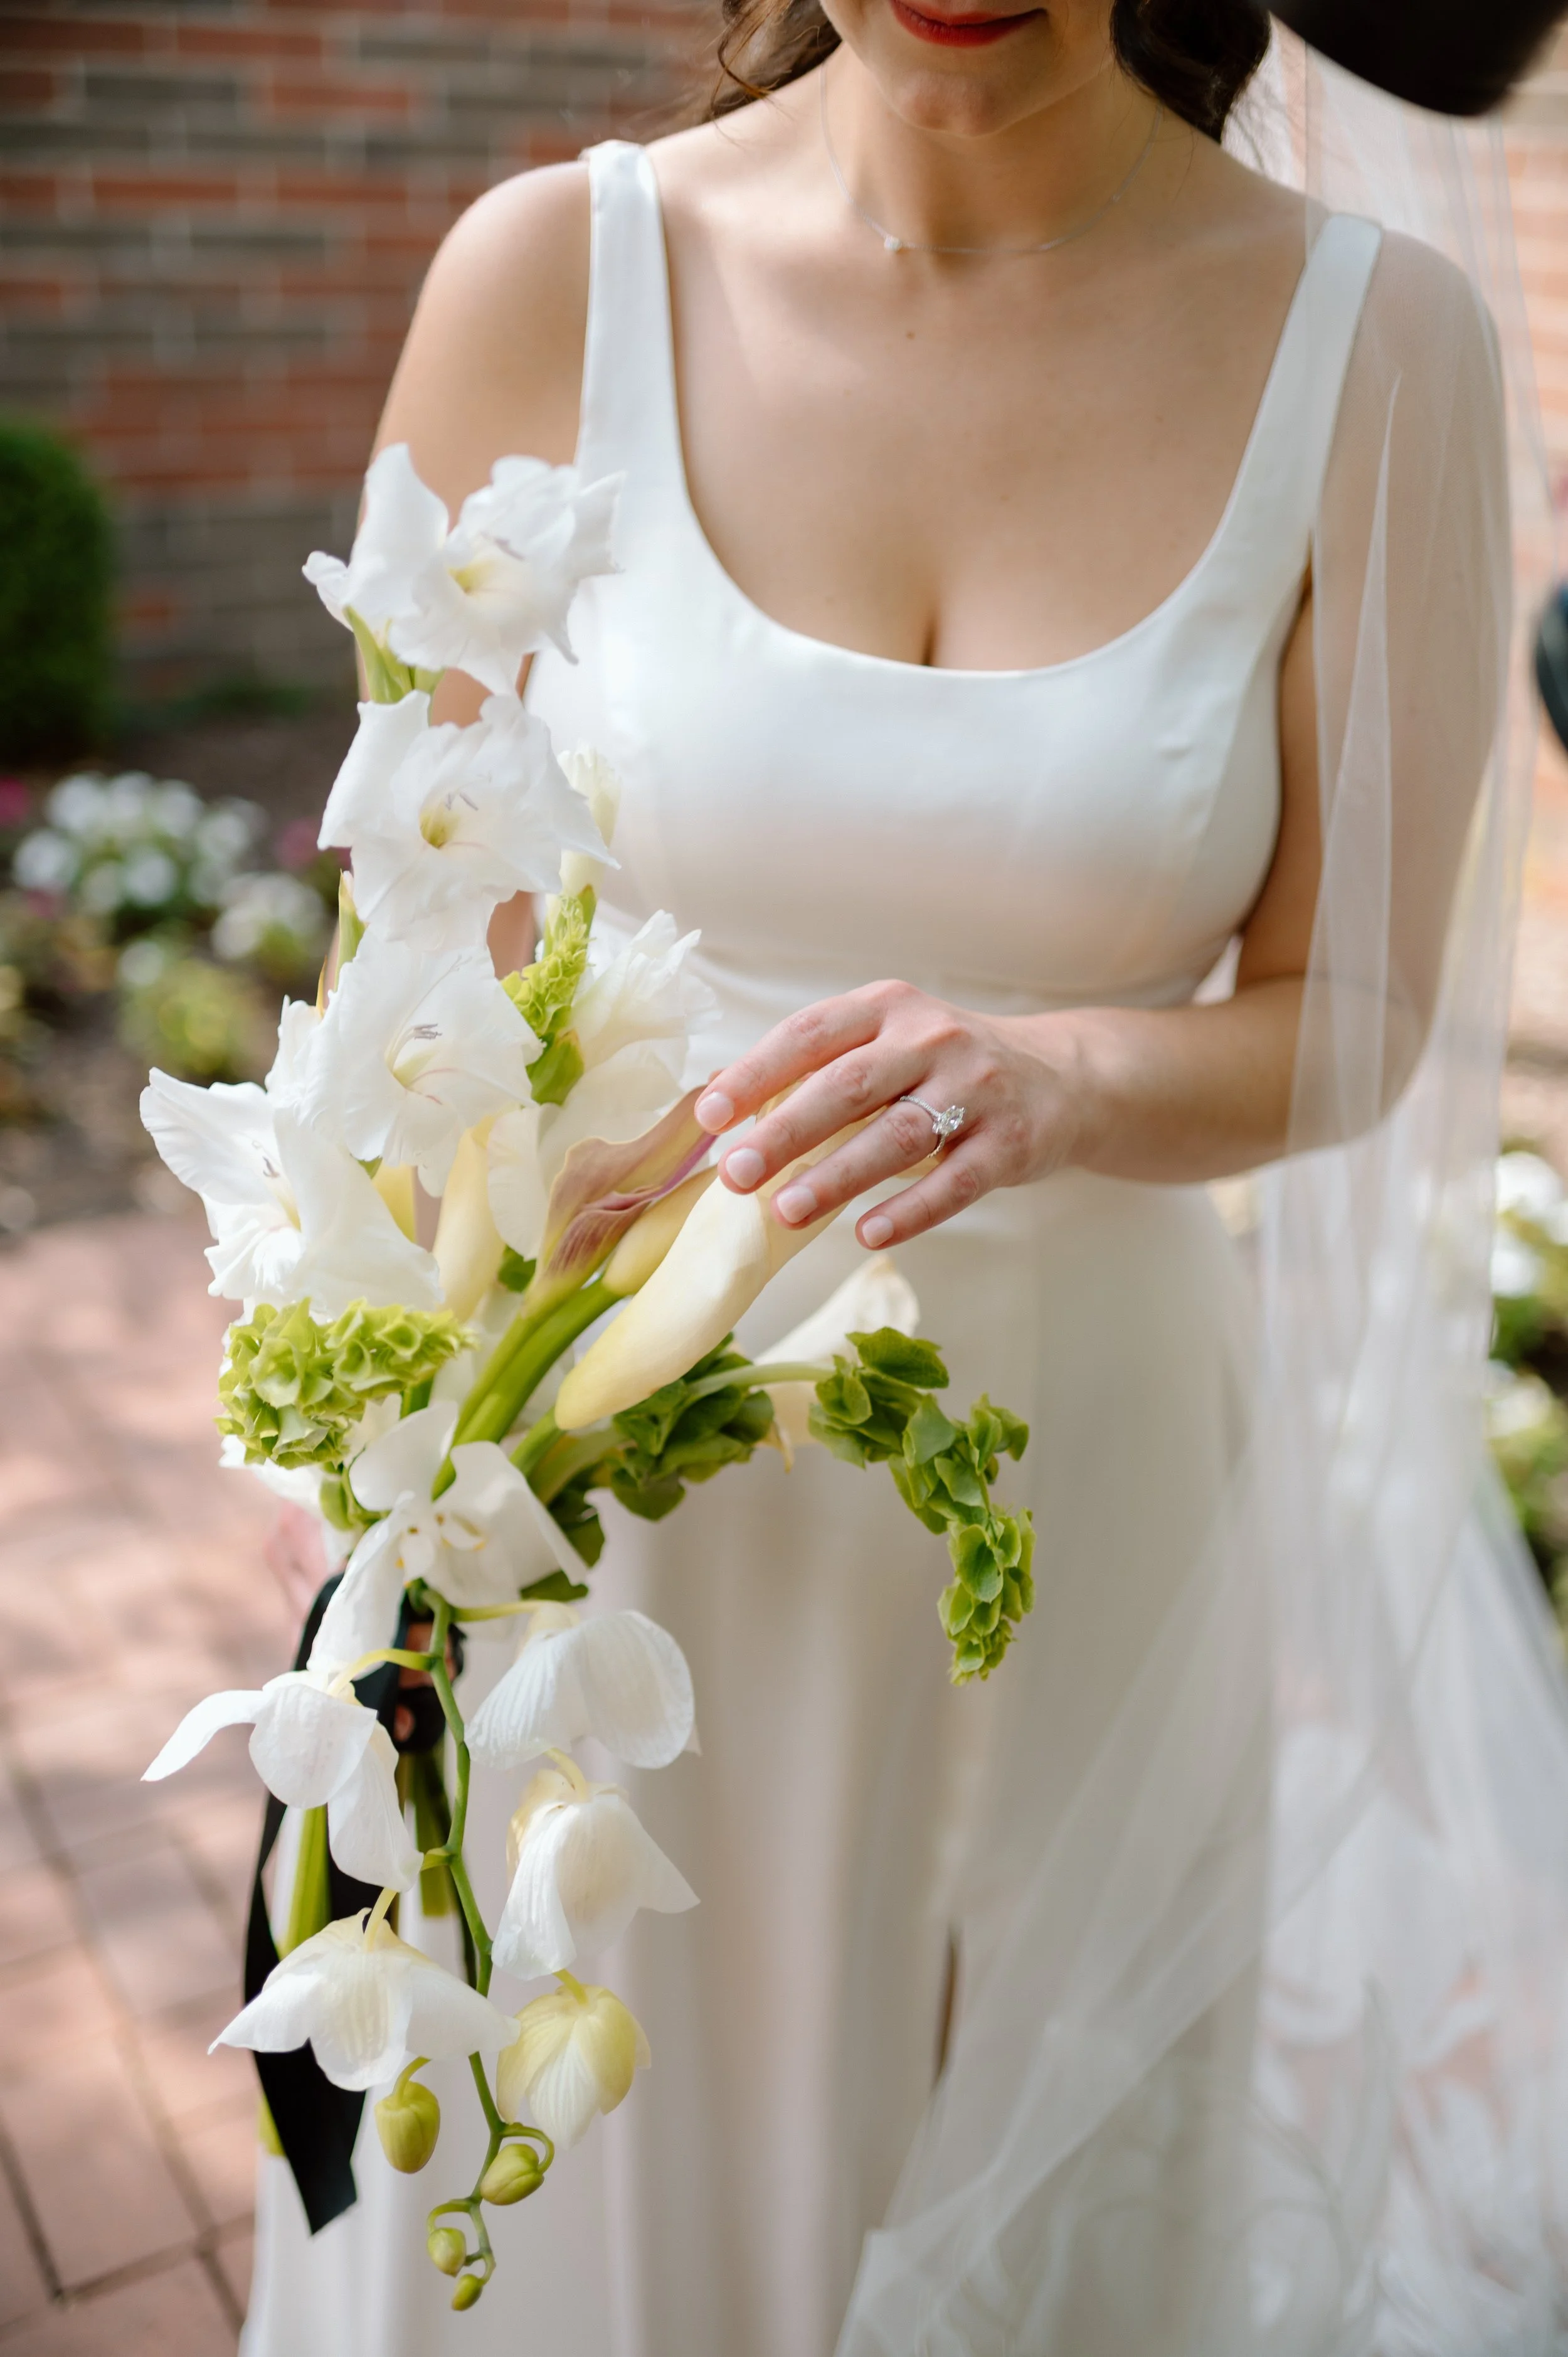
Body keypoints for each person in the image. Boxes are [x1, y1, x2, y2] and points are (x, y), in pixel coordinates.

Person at [243, 3, 1564, 2351]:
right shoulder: (547, 277)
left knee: (1027, 2211)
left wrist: (1054, 1072)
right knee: (586, 2182)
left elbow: (1355, 1017)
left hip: (1084, 1481)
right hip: (615, 1477)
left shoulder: (1381, 353)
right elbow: (405, 963)